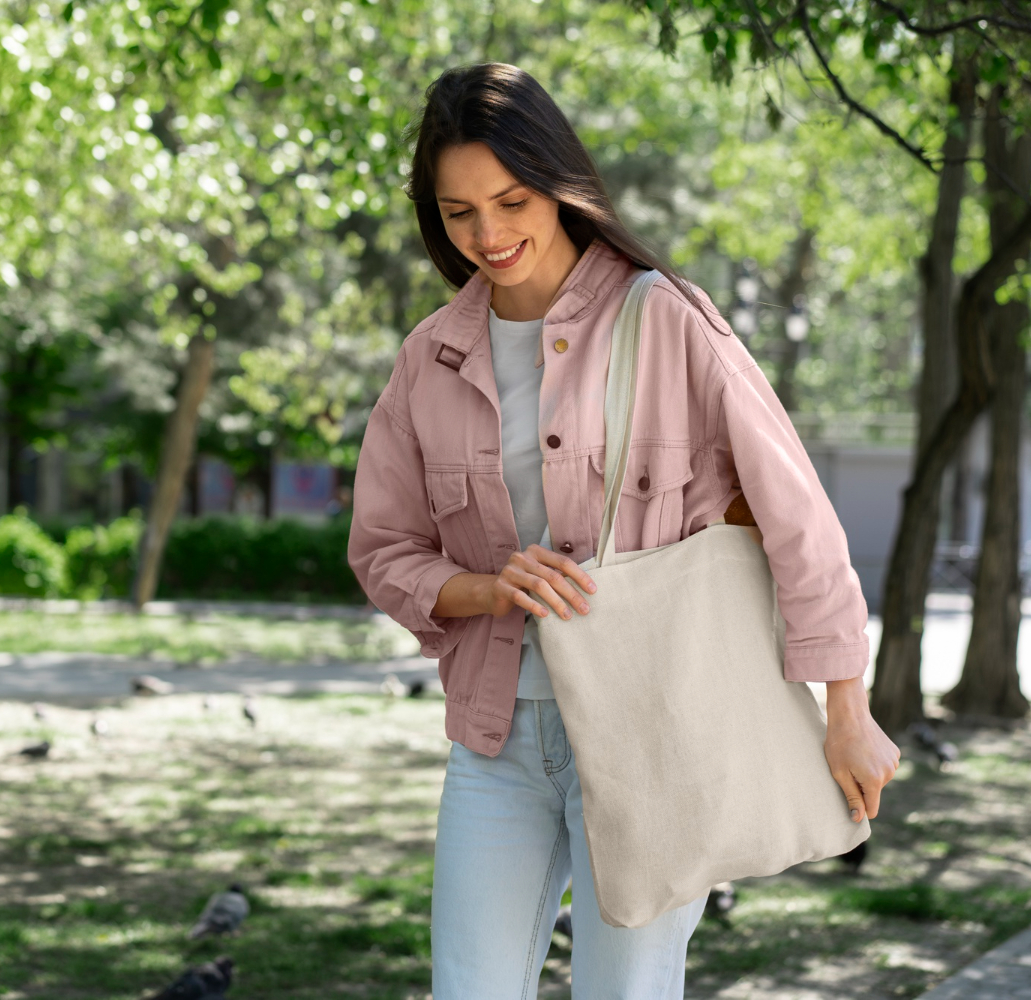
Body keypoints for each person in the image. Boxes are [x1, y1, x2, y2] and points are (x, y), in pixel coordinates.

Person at [346, 64, 900, 999]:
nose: (488, 235)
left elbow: (797, 514)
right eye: (456, 213)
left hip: (656, 732)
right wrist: (486, 588)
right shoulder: (429, 360)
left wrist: (848, 708)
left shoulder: (668, 320)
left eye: (511, 201)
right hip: (498, 742)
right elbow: (382, 548)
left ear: (558, 185)